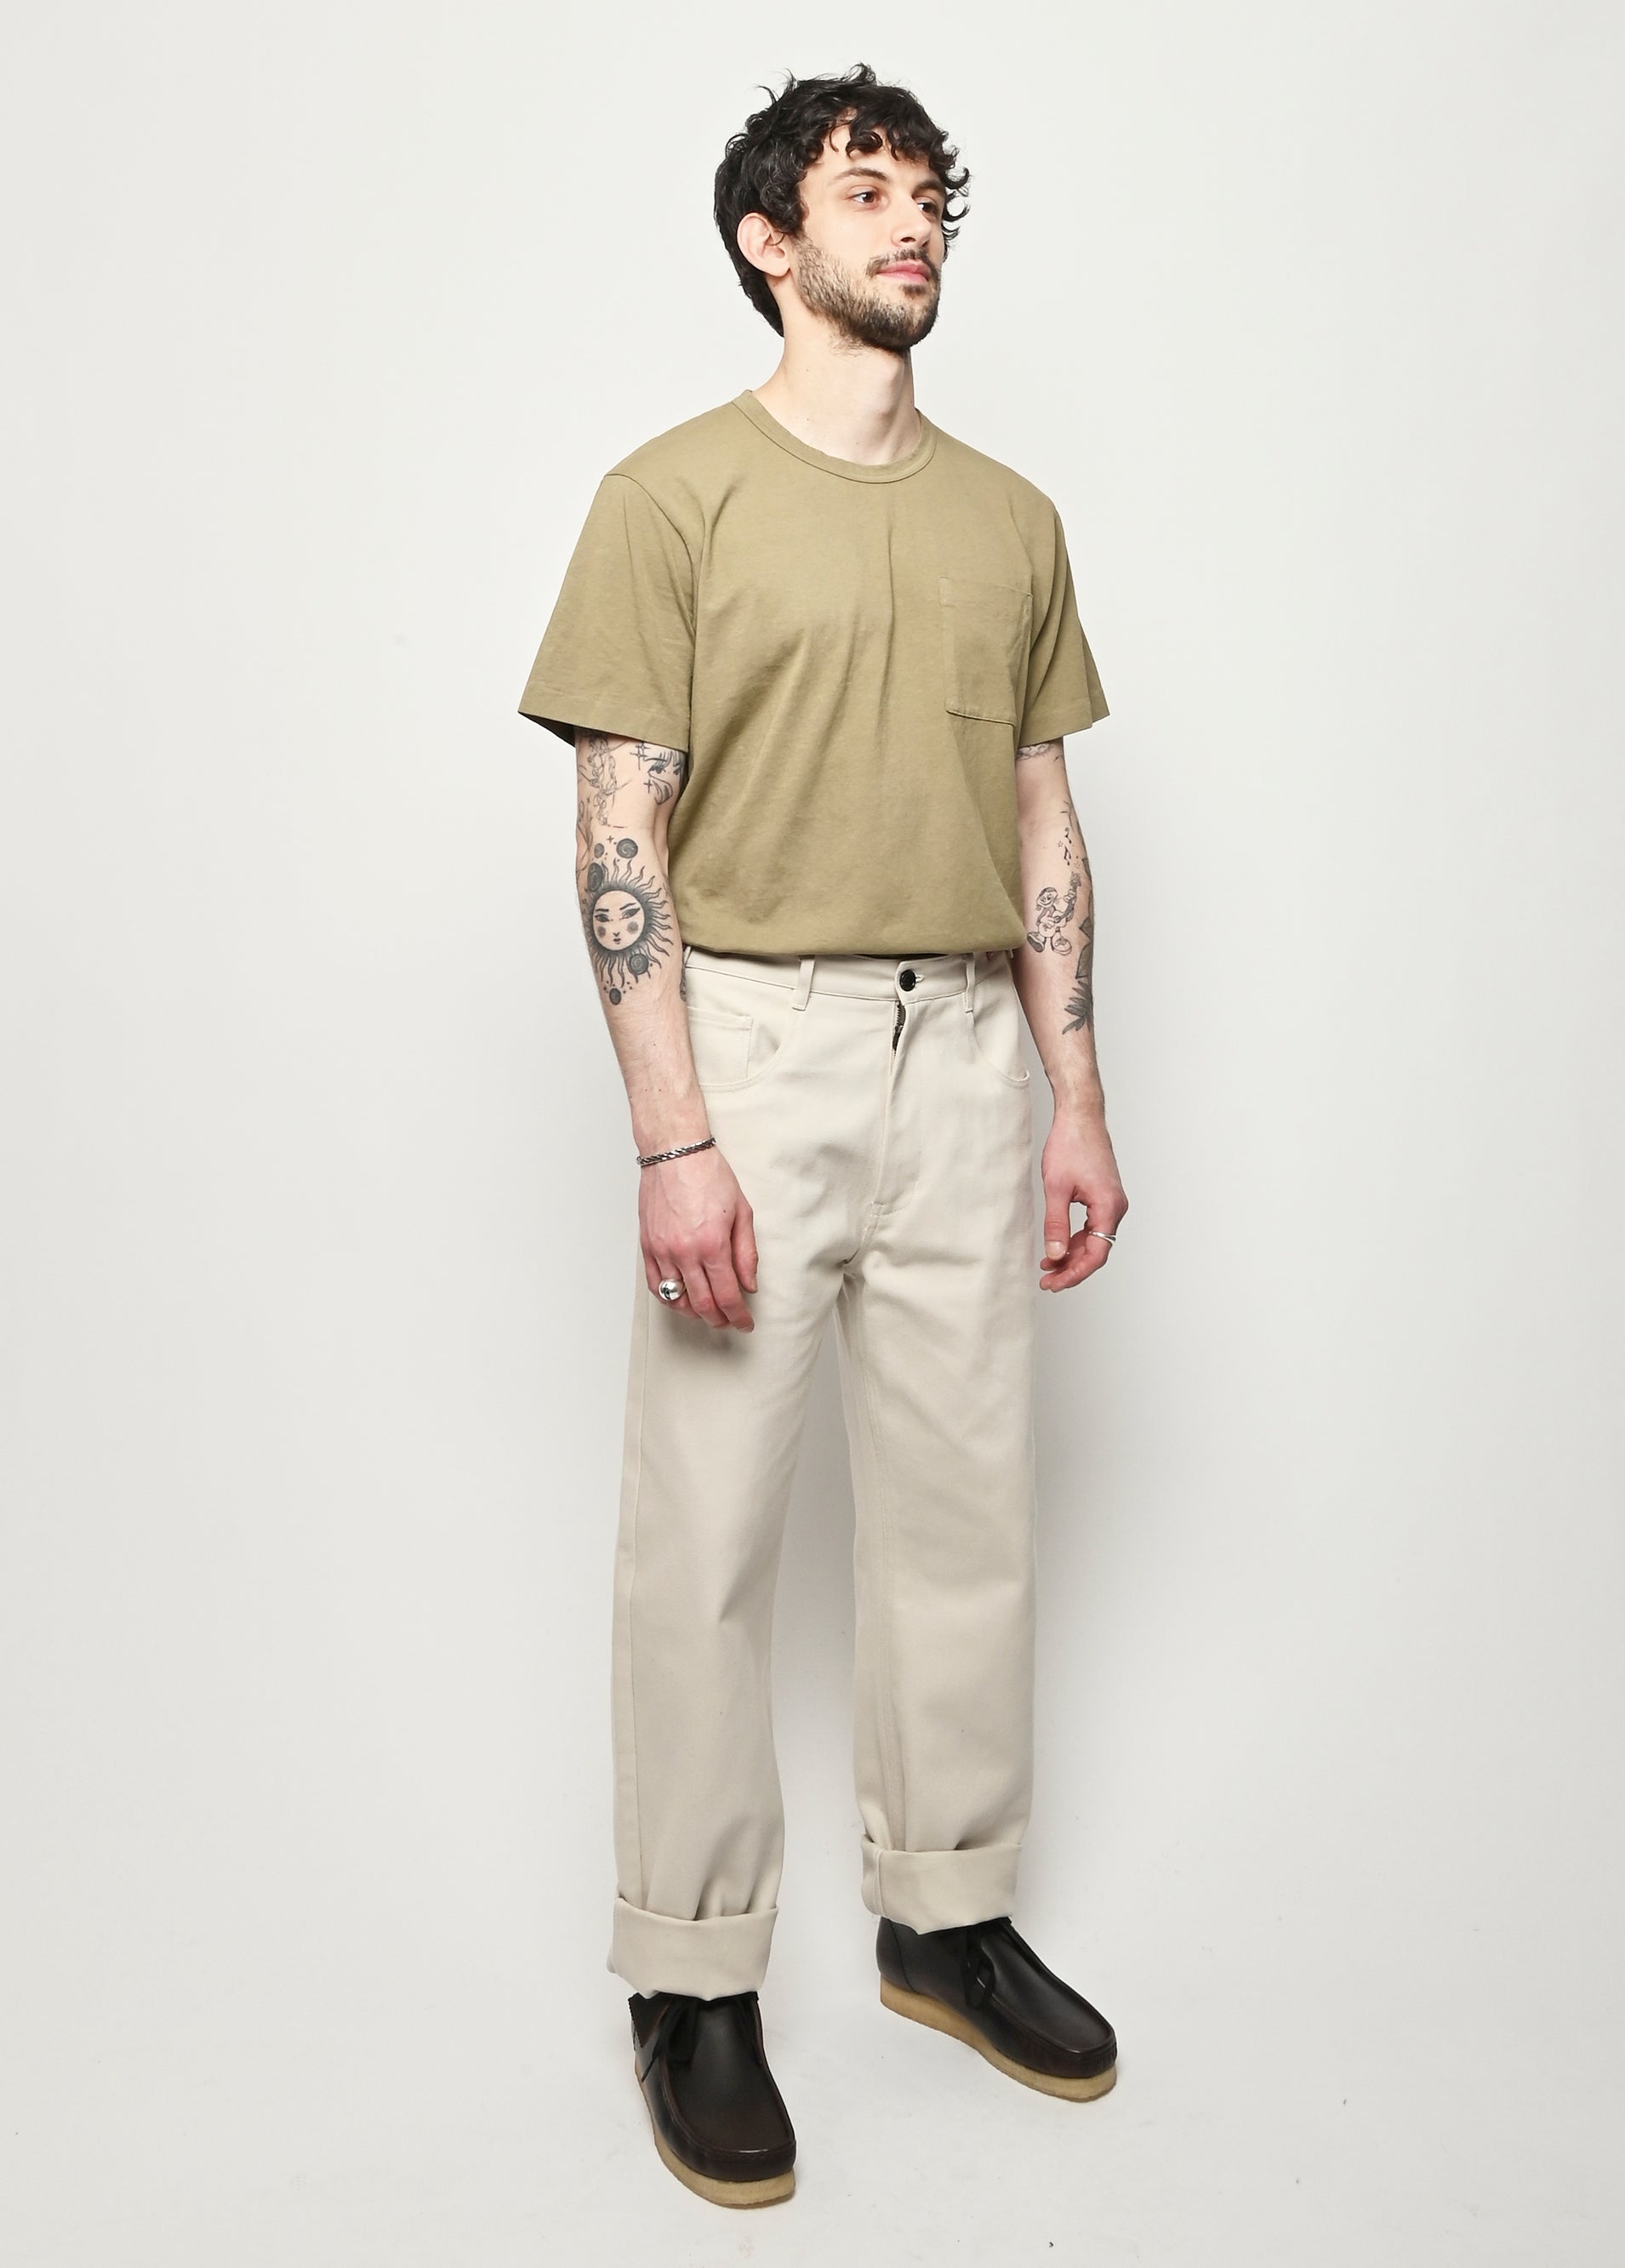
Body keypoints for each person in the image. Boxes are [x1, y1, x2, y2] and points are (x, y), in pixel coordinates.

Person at [516, 64, 1126, 2208]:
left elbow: (1043, 822)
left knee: (966, 1508)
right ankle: (688, 1974)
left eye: (926, 191)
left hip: (965, 1052)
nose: (911, 222)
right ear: (768, 240)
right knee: (704, 1535)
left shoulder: (1011, 521)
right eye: (865, 191)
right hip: (752, 1056)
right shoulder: (668, 497)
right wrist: (672, 1137)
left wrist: (1075, 1095)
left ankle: (943, 1914)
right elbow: (618, 830)